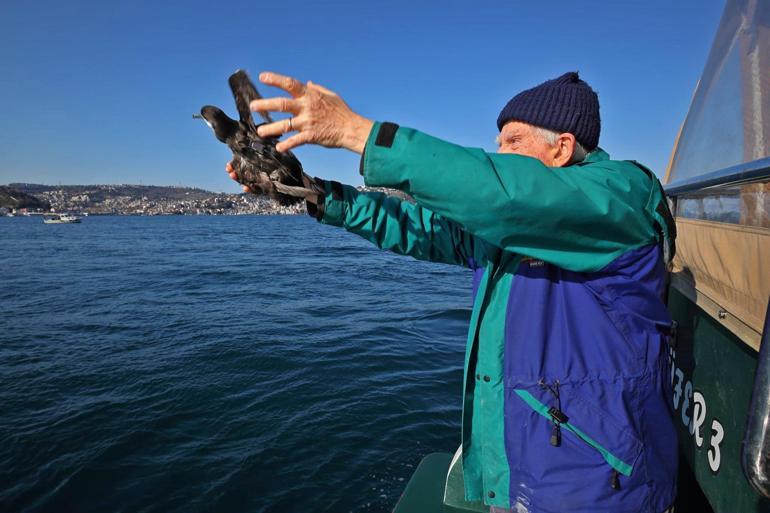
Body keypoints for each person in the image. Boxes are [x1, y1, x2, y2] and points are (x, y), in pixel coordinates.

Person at [227, 71, 678, 513]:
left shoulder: (621, 196)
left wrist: (355, 132)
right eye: (498, 141)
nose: (498, 152)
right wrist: (314, 194)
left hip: (597, 487)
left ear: (561, 148)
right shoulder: (510, 230)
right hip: (522, 476)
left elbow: (503, 193)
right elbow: (420, 227)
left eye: (512, 141)